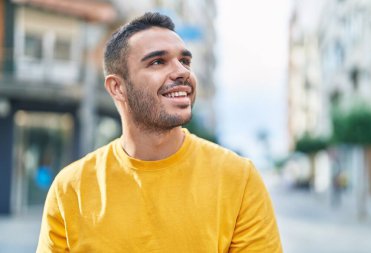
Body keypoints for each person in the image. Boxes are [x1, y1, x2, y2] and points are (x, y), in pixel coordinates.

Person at [36, 12, 283, 252]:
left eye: (185, 61)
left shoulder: (238, 179)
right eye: (157, 62)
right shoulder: (70, 189)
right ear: (117, 88)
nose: (182, 72)